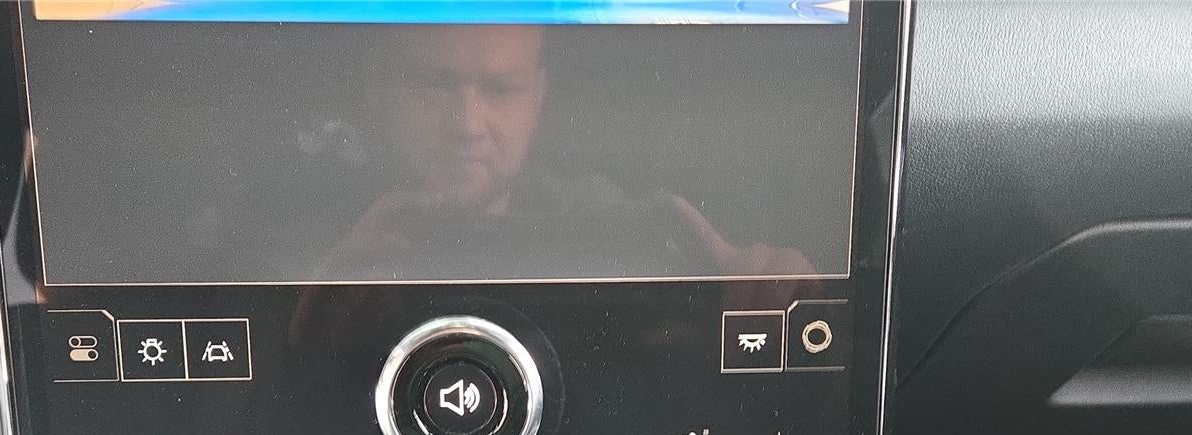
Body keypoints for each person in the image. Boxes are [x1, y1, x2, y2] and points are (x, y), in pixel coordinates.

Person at [308, 24, 814, 282]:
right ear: (376, 87)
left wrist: (772, 289)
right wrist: (305, 314)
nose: (467, 125)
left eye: (503, 89)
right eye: (434, 85)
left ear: (538, 97)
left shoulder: (609, 224)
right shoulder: (285, 231)